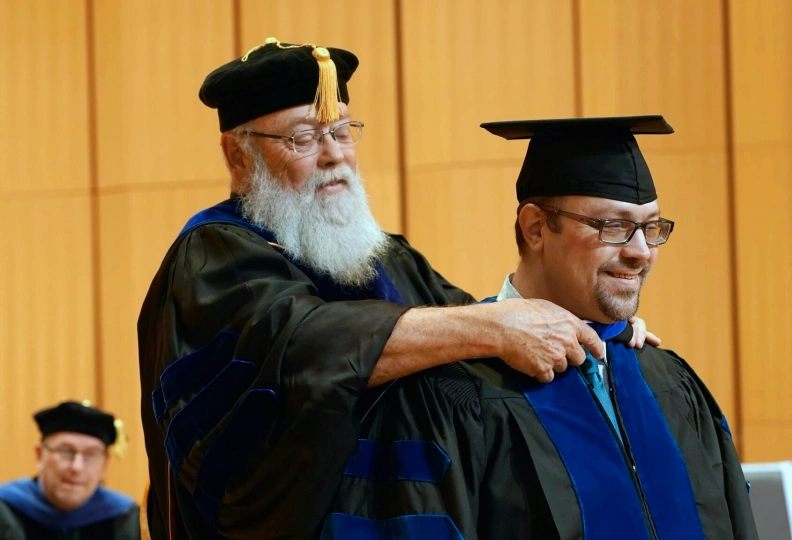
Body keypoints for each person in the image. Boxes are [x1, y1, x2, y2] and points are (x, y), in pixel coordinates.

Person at [138, 38, 656, 539]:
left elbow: (474, 340)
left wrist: (587, 326)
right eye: (304, 137)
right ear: (238, 155)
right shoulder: (213, 256)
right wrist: (489, 325)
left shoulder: (382, 257)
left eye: (342, 132)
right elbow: (296, 349)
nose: (333, 155)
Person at [320, 116, 759, 540]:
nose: (641, 252)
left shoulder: (671, 384)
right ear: (534, 228)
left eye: (651, 227)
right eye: (615, 227)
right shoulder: (445, 395)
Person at [0, 401, 140, 539]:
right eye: (66, 452)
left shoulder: (126, 517)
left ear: (105, 464)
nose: (77, 467)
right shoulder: (5, 509)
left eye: (91, 454)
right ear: (40, 455)